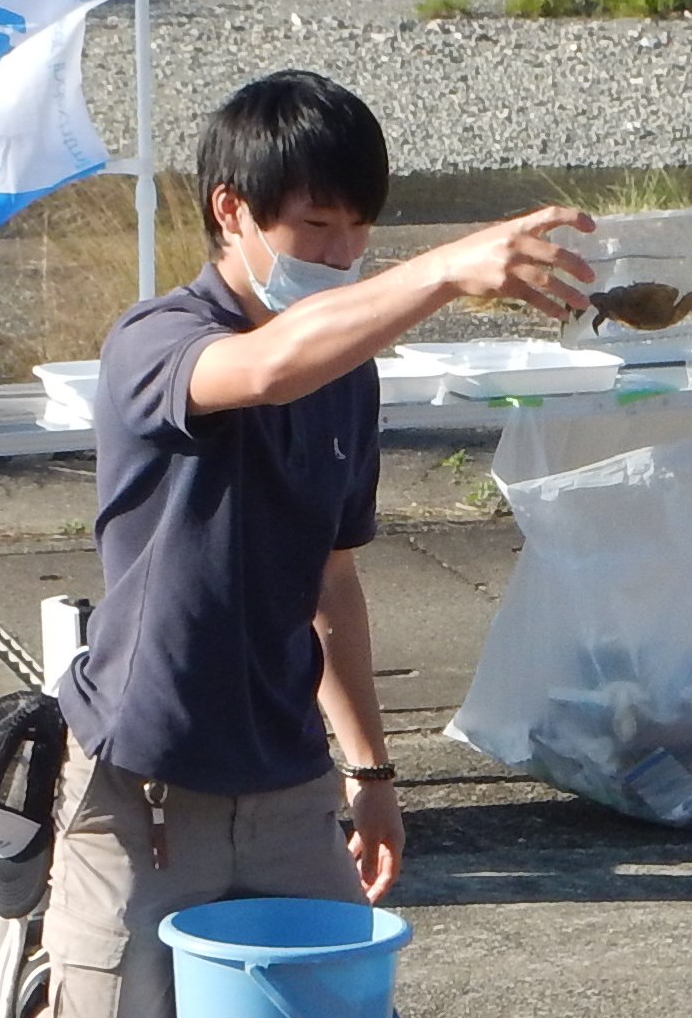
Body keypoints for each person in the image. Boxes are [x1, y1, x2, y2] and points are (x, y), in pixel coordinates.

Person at [42, 68, 595, 1018]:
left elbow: (330, 582)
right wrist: (441, 270)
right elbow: (259, 369)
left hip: (291, 789)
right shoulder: (156, 339)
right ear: (233, 211)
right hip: (145, 792)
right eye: (316, 226)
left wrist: (369, 773)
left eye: (359, 227)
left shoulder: (348, 372)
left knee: (339, 1003)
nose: (342, 253)